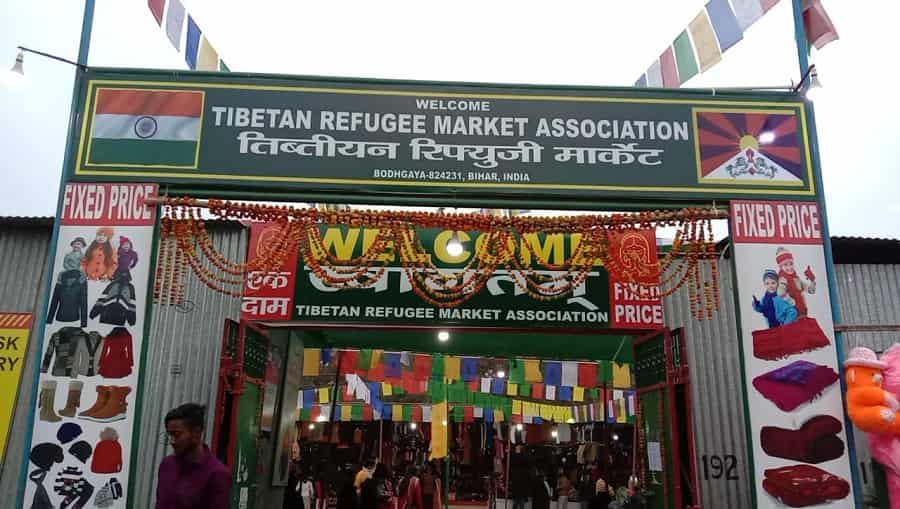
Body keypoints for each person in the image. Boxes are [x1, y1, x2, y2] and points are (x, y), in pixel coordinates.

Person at [155, 403, 231, 509]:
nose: (172, 441)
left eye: (177, 434)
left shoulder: (217, 474)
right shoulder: (167, 465)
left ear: (197, 432)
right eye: (169, 434)